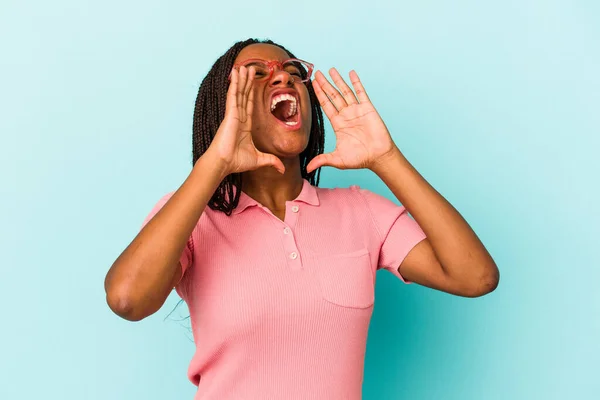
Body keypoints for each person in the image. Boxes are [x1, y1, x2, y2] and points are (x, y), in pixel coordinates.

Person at [104, 38, 499, 399]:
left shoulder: (361, 211)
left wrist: (386, 159)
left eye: (294, 73)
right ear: (226, 108)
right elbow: (127, 299)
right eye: (257, 74)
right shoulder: (192, 216)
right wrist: (215, 164)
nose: (284, 78)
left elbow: (475, 276)